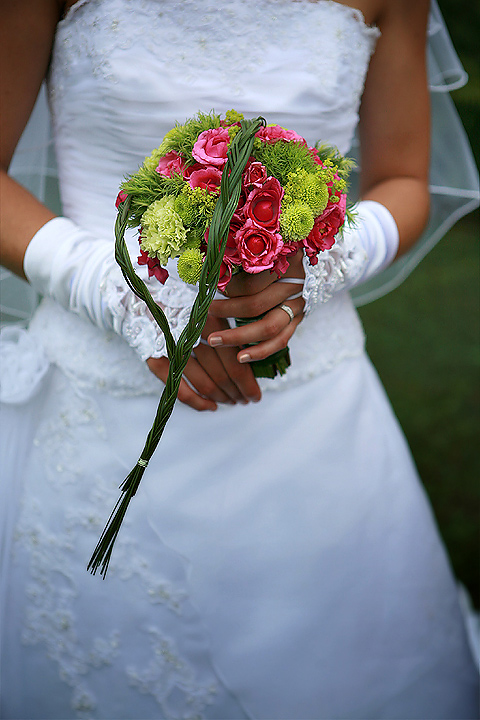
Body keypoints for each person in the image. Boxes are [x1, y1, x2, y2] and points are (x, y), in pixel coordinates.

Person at [0, 0, 478, 718]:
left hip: (312, 407)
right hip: (101, 391)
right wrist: (124, 296)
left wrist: (316, 268)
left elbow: (404, 178)